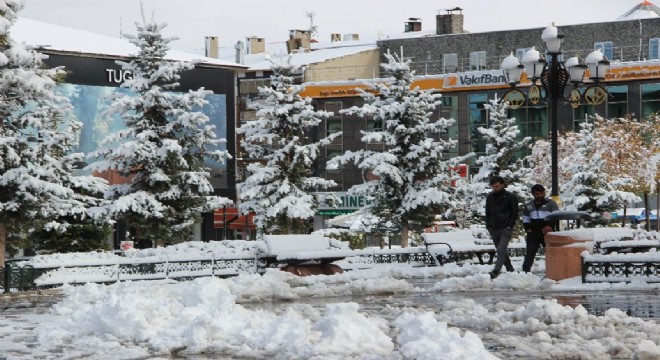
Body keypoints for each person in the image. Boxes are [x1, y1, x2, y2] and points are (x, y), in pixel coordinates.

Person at [484, 176, 518, 279]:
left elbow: (514, 212)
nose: (495, 188)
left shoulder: (510, 197)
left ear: (502, 185)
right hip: (494, 227)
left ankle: (496, 270)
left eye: (497, 186)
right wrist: (489, 225)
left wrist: (509, 225)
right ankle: (510, 269)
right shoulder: (490, 197)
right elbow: (488, 212)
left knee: (501, 248)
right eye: (493, 186)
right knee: (501, 250)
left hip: (505, 227)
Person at [521, 184, 559, 273]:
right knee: (530, 252)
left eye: (542, 193)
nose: (540, 195)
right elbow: (526, 218)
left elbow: (556, 216)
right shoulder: (529, 205)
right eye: (537, 194)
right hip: (534, 231)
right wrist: (527, 229)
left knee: (550, 252)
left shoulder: (551, 203)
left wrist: (550, 226)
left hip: (547, 232)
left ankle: (554, 271)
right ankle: (525, 272)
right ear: (533, 194)